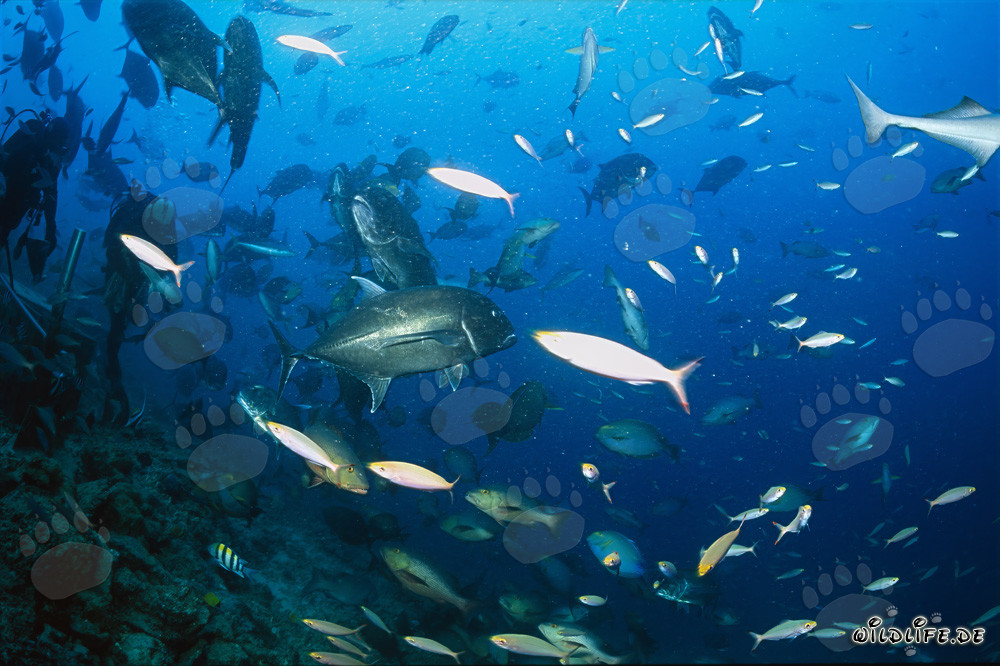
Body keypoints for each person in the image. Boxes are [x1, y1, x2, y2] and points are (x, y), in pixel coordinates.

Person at [0, 111, 69, 284]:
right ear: (50, 130)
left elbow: (51, 192)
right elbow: (7, 156)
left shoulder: (54, 159)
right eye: (58, 142)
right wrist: (41, 152)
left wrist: (51, 229)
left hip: (14, 208)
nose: (58, 148)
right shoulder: (33, 129)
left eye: (62, 146)